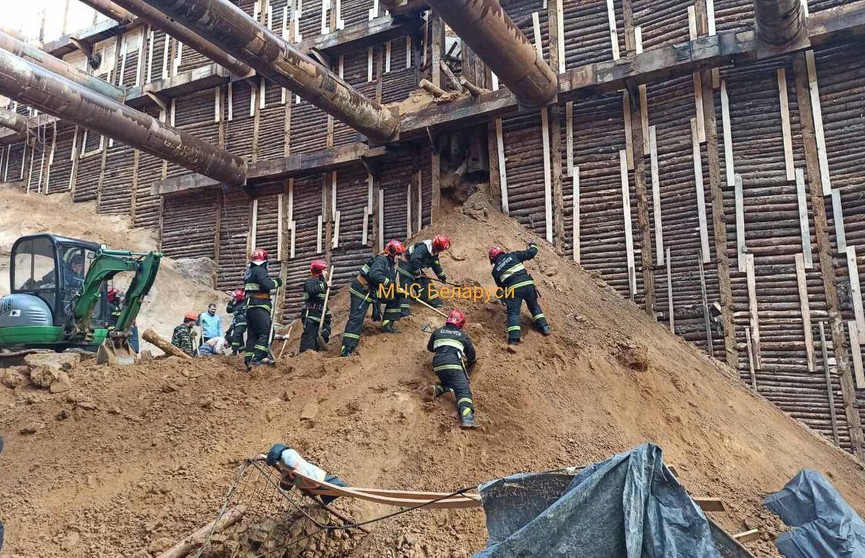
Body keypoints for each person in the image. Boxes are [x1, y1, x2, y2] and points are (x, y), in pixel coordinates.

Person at [339, 240, 406, 357]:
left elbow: (389, 281)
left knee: (396, 296)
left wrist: (397, 289)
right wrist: (390, 284)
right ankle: (347, 348)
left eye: (401, 255)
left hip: (373, 291)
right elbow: (375, 276)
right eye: (398, 254)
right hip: (361, 290)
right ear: (392, 252)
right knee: (356, 317)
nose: (400, 257)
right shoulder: (381, 260)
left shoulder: (390, 264)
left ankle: (387, 325)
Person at [489, 242, 550, 345]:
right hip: (528, 285)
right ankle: (544, 327)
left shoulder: (495, 271)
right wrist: (533, 245)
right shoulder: (513, 255)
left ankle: (513, 339)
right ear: (501, 252)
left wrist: (505, 296)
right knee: (534, 306)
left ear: (492, 259)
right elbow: (531, 253)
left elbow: (501, 286)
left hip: (514, 289)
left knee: (513, 313)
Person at [427, 309, 478, 429]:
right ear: (461, 323)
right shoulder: (463, 335)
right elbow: (471, 355)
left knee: (450, 383)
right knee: (463, 390)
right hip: (453, 364)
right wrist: (471, 362)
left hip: (438, 365)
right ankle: (467, 419)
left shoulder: (438, 331)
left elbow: (430, 348)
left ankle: (436, 389)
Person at [265, 442, 348, 505]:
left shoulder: (287, 461)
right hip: (312, 472)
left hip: (311, 477)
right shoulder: (288, 453)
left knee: (333, 487)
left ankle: (344, 488)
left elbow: (292, 469)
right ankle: (343, 488)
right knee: (331, 485)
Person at [243, 247, 283, 369]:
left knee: (253, 334)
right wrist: (277, 282)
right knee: (267, 331)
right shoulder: (260, 270)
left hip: (250, 307)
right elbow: (267, 284)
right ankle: (257, 358)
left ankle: (249, 359)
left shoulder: (249, 272)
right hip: (259, 305)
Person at [397, 234, 451, 317]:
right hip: (406, 265)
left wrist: (442, 277)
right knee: (406, 287)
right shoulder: (423, 247)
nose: (441, 251)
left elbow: (436, 264)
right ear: (436, 245)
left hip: (415, 267)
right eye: (440, 249)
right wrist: (417, 274)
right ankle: (404, 312)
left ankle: (435, 302)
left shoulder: (434, 252)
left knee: (426, 283)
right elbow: (415, 259)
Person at [299, 260, 332, 353]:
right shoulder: (310, 281)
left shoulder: (322, 284)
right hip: (311, 315)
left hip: (321, 315)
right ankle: (305, 356)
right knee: (310, 338)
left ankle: (316, 356)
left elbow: (324, 303)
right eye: (324, 270)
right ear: (319, 271)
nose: (326, 272)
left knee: (324, 334)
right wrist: (325, 285)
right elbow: (311, 290)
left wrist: (328, 316)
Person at [226, 289, 247, 356]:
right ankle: (242, 350)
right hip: (236, 322)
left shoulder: (245, 302)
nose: (234, 298)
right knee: (239, 337)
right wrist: (230, 302)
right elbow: (229, 310)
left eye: (235, 297)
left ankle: (234, 351)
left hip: (242, 321)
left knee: (236, 334)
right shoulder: (236, 304)